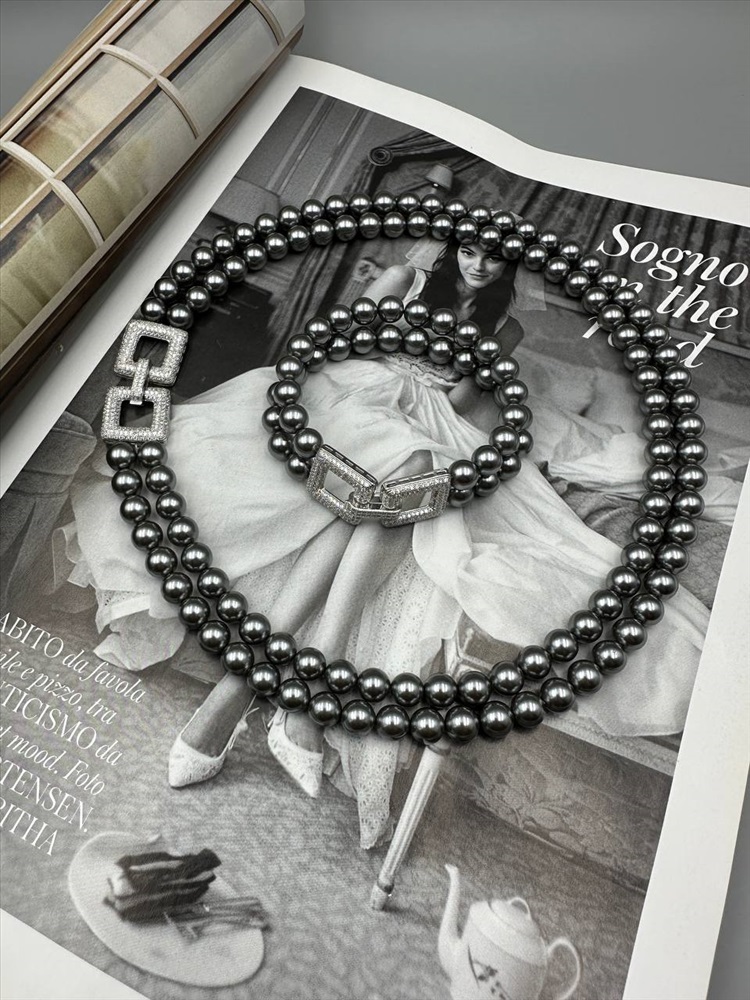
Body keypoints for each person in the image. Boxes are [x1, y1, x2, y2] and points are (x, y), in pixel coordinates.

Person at [60, 234, 719, 849]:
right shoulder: (406, 280)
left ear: (510, 267)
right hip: (351, 398)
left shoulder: (506, 328)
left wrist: (435, 393)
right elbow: (341, 347)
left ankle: (236, 696)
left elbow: (461, 406)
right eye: (470, 252)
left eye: (494, 259)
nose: (480, 265)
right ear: (452, 248)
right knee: (403, 474)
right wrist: (393, 376)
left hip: (430, 422)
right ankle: (303, 701)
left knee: (408, 479)